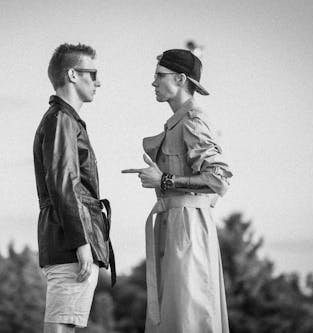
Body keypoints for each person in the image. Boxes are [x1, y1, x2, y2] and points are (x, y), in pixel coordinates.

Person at [122, 49, 232, 333]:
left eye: (159, 76)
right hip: (174, 226)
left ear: (181, 79)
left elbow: (218, 179)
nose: (153, 83)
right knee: (172, 319)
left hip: (189, 229)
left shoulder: (193, 119)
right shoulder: (177, 122)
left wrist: (165, 181)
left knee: (189, 318)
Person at [33, 43, 115, 333]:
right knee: (61, 325)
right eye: (92, 73)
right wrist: (82, 243)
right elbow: (63, 184)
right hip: (71, 241)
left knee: (67, 324)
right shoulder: (61, 120)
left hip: (71, 237)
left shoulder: (66, 120)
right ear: (72, 74)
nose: (98, 81)